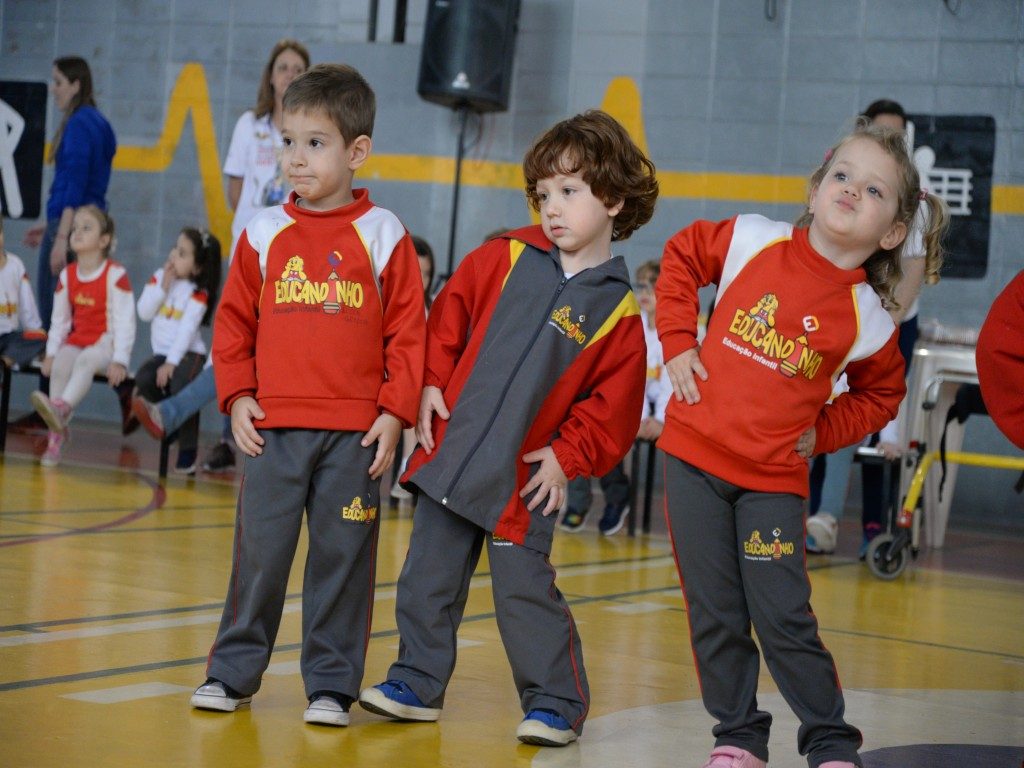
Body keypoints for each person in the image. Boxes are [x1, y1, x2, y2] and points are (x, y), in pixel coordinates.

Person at [358, 109, 658, 747]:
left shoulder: (619, 313)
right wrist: (431, 383)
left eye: (569, 191)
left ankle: (556, 703)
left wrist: (568, 457)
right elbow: (447, 319)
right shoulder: (505, 255)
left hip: (523, 481)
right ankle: (416, 682)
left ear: (613, 199)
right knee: (426, 579)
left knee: (524, 596)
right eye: (543, 194)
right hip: (452, 454)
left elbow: (613, 408)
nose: (553, 208)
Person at [655, 120, 948, 768]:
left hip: (771, 484)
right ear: (815, 191)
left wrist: (823, 434)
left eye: (874, 190)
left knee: (784, 616)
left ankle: (830, 742)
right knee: (715, 613)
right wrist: (677, 340)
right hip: (692, 461)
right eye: (842, 175)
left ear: (892, 232)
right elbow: (681, 255)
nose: (852, 190)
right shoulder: (751, 239)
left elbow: (881, 396)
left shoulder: (869, 320)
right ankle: (738, 737)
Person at [189, 63, 426, 728]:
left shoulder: (384, 232)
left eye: (315, 143)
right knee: (260, 558)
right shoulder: (261, 231)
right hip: (272, 429)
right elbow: (233, 325)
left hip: (356, 438)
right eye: (287, 141)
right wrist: (237, 395)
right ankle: (232, 672)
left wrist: (395, 412)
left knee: (342, 562)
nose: (296, 158)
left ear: (357, 151)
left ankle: (331, 685)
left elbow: (409, 333)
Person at [806, 98, 947, 558]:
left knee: (873, 427)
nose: (891, 140)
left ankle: (869, 528)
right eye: (881, 131)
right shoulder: (842, 185)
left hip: (888, 324)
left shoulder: (911, 201)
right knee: (816, 413)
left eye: (898, 134)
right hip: (837, 315)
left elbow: (912, 272)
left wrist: (880, 325)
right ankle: (810, 517)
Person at [202, 38, 310, 474]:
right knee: (236, 339)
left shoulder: (311, 128)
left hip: (292, 252)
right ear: (271, 75)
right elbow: (235, 189)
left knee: (274, 340)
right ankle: (227, 437)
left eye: (298, 68)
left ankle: (266, 433)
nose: (290, 74)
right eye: (283, 67)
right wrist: (256, 219)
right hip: (251, 244)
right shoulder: (250, 124)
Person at [18, 57, 123, 431]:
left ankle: (49, 405)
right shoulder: (99, 123)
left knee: (55, 319)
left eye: (59, 81)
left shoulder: (79, 124)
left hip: (71, 228)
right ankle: (58, 403)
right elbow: (87, 185)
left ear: (77, 84)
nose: (54, 89)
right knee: (76, 319)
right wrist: (50, 224)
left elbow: (75, 185)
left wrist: (61, 236)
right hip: (85, 224)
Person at [560, 259, 670, 535]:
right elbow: (630, 378)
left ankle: (620, 498)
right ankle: (593, 501)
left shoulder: (672, 328)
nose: (644, 292)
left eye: (652, 286)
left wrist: (659, 419)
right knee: (590, 421)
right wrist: (639, 418)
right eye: (640, 286)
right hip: (637, 406)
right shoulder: (634, 324)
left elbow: (670, 382)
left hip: (667, 410)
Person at [30, 205, 135, 467]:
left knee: (86, 360)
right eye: (75, 227)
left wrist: (120, 360)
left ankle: (60, 410)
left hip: (105, 345)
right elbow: (59, 322)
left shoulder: (116, 274)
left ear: (104, 240)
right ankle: (57, 436)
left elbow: (126, 322)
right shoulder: (67, 275)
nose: (77, 232)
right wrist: (51, 354)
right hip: (78, 341)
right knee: (62, 362)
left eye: (86, 228)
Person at [133, 227, 221, 474]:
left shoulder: (198, 293)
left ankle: (187, 451)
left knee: (183, 384)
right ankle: (169, 426)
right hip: (162, 355)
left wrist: (172, 363)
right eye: (175, 248)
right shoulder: (160, 277)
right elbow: (144, 312)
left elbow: (186, 331)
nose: (173, 255)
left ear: (197, 268)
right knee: (144, 378)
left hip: (189, 355)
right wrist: (162, 288)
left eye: (182, 254)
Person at [390, 234, 435, 501]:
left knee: (413, 396)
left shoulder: (433, 308)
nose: (421, 280)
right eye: (416, 272)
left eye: (426, 274)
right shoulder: (385, 303)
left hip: (414, 386)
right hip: (388, 382)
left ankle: (408, 463)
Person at [0, 216, 47, 369]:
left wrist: (36, 332)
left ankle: (5, 361)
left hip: (9, 339)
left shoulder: (16, 265)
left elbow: (28, 308)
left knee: (41, 337)